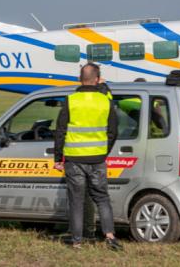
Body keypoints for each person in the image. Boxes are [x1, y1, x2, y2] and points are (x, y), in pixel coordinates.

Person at [54, 63, 122, 251]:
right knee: (102, 198)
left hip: (74, 159)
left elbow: (60, 130)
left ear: (79, 78)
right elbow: (113, 131)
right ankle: (110, 236)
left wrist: (58, 158)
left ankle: (77, 242)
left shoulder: (71, 100)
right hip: (98, 158)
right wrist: (103, 151)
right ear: (98, 79)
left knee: (76, 200)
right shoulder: (105, 101)